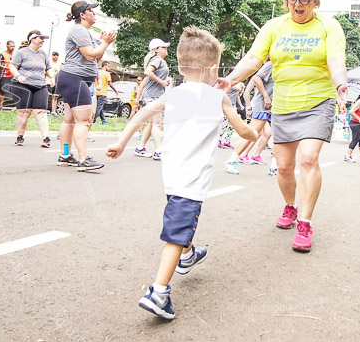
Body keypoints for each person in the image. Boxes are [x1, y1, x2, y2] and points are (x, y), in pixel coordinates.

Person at [106, 27, 255, 320]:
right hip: (192, 180)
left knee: (180, 221)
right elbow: (243, 131)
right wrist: (255, 132)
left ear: (179, 65)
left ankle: (188, 255)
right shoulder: (218, 99)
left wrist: (121, 142)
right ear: (213, 68)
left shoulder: (174, 95)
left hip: (172, 177)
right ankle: (158, 292)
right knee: (176, 233)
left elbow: (140, 115)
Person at [218, 0, 348, 253]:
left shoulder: (329, 26)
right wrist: (230, 78)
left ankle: (305, 221)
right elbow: (254, 58)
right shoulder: (275, 26)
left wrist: (340, 83)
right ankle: (290, 206)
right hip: (284, 103)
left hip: (318, 101)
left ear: (315, 1)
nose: (297, 3)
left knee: (309, 159)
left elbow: (336, 59)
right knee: (285, 167)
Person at [54, 0, 117, 170]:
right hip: (75, 78)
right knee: (84, 120)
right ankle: (84, 159)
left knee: (69, 120)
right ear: (82, 14)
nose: (95, 14)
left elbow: (96, 57)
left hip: (72, 78)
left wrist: (102, 42)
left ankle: (65, 155)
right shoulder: (79, 30)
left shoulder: (85, 32)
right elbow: (90, 55)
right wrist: (105, 43)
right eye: (91, 11)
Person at [8, 30, 53, 147]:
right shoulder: (22, 52)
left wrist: (52, 77)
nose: (43, 40)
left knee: (41, 112)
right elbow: (12, 66)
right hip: (23, 85)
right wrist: (18, 76)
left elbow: (48, 68)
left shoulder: (43, 54)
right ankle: (20, 136)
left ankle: (46, 138)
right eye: (40, 38)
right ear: (32, 39)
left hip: (40, 85)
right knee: (24, 111)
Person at [228, 60, 274, 173]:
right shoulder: (271, 64)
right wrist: (265, 97)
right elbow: (256, 78)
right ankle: (232, 160)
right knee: (252, 134)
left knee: (278, 135)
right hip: (263, 104)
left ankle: (275, 166)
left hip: (277, 105)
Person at [134, 38, 170, 160]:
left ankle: (140, 148)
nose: (166, 49)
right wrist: (162, 82)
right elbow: (147, 72)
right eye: (163, 47)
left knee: (152, 124)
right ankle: (159, 151)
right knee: (157, 124)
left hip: (156, 95)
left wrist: (165, 82)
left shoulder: (160, 61)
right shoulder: (156, 59)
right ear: (156, 50)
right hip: (152, 96)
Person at [94, 60, 119, 124]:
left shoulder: (98, 72)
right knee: (99, 107)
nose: (109, 68)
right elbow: (110, 83)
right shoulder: (107, 74)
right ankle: (93, 120)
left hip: (96, 92)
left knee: (100, 107)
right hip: (102, 93)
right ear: (105, 66)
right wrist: (115, 90)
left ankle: (103, 120)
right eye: (108, 66)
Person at [0, 40, 15, 109]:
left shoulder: (14, 55)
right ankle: (0, 107)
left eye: (13, 46)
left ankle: (16, 107)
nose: (12, 48)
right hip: (4, 75)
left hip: (13, 75)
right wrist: (7, 68)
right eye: (11, 46)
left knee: (15, 91)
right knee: (3, 91)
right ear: (7, 46)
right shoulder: (2, 54)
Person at [47, 51, 63, 116]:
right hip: (49, 81)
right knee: (48, 96)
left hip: (56, 81)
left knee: (55, 96)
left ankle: (53, 111)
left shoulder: (59, 63)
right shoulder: (49, 63)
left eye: (57, 55)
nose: (55, 57)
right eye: (54, 55)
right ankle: (45, 110)